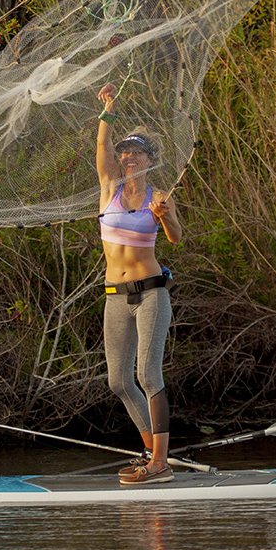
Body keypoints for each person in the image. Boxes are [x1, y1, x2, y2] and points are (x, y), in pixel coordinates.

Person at [95, 82, 183, 484]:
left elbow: (176, 238)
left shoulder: (159, 195)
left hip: (151, 294)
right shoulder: (109, 189)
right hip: (115, 297)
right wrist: (109, 110)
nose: (128, 156)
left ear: (150, 159)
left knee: (149, 375)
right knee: (118, 382)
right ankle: (152, 453)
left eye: (137, 151)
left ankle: (160, 464)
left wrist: (162, 215)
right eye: (125, 151)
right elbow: (102, 148)